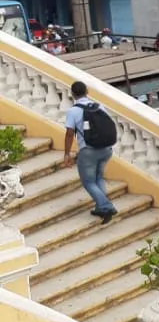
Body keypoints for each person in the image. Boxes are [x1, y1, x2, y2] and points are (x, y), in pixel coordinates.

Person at [63, 81, 119, 224]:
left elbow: (70, 133)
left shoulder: (73, 111)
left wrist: (67, 154)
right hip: (106, 150)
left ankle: (106, 206)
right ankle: (100, 207)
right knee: (98, 177)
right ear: (87, 92)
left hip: (88, 152)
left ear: (73, 94)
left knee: (88, 181)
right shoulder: (99, 106)